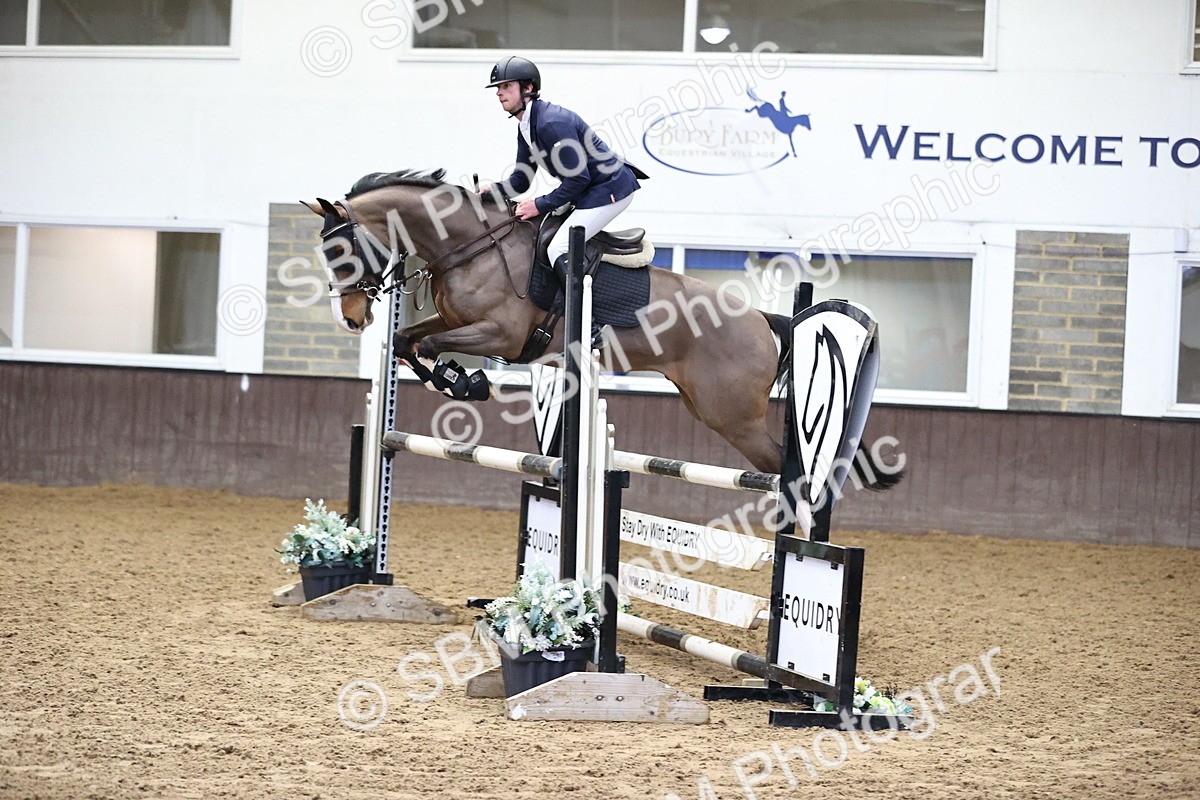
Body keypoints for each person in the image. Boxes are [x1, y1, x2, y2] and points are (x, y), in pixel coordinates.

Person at [479, 56, 645, 291]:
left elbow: (579, 178)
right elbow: (521, 180)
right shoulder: (526, 126)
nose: (499, 93)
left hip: (611, 187)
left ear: (528, 88)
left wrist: (540, 204)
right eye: (498, 88)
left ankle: (588, 322)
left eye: (506, 86)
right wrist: (494, 190)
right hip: (589, 190)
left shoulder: (551, 122)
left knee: (558, 247)